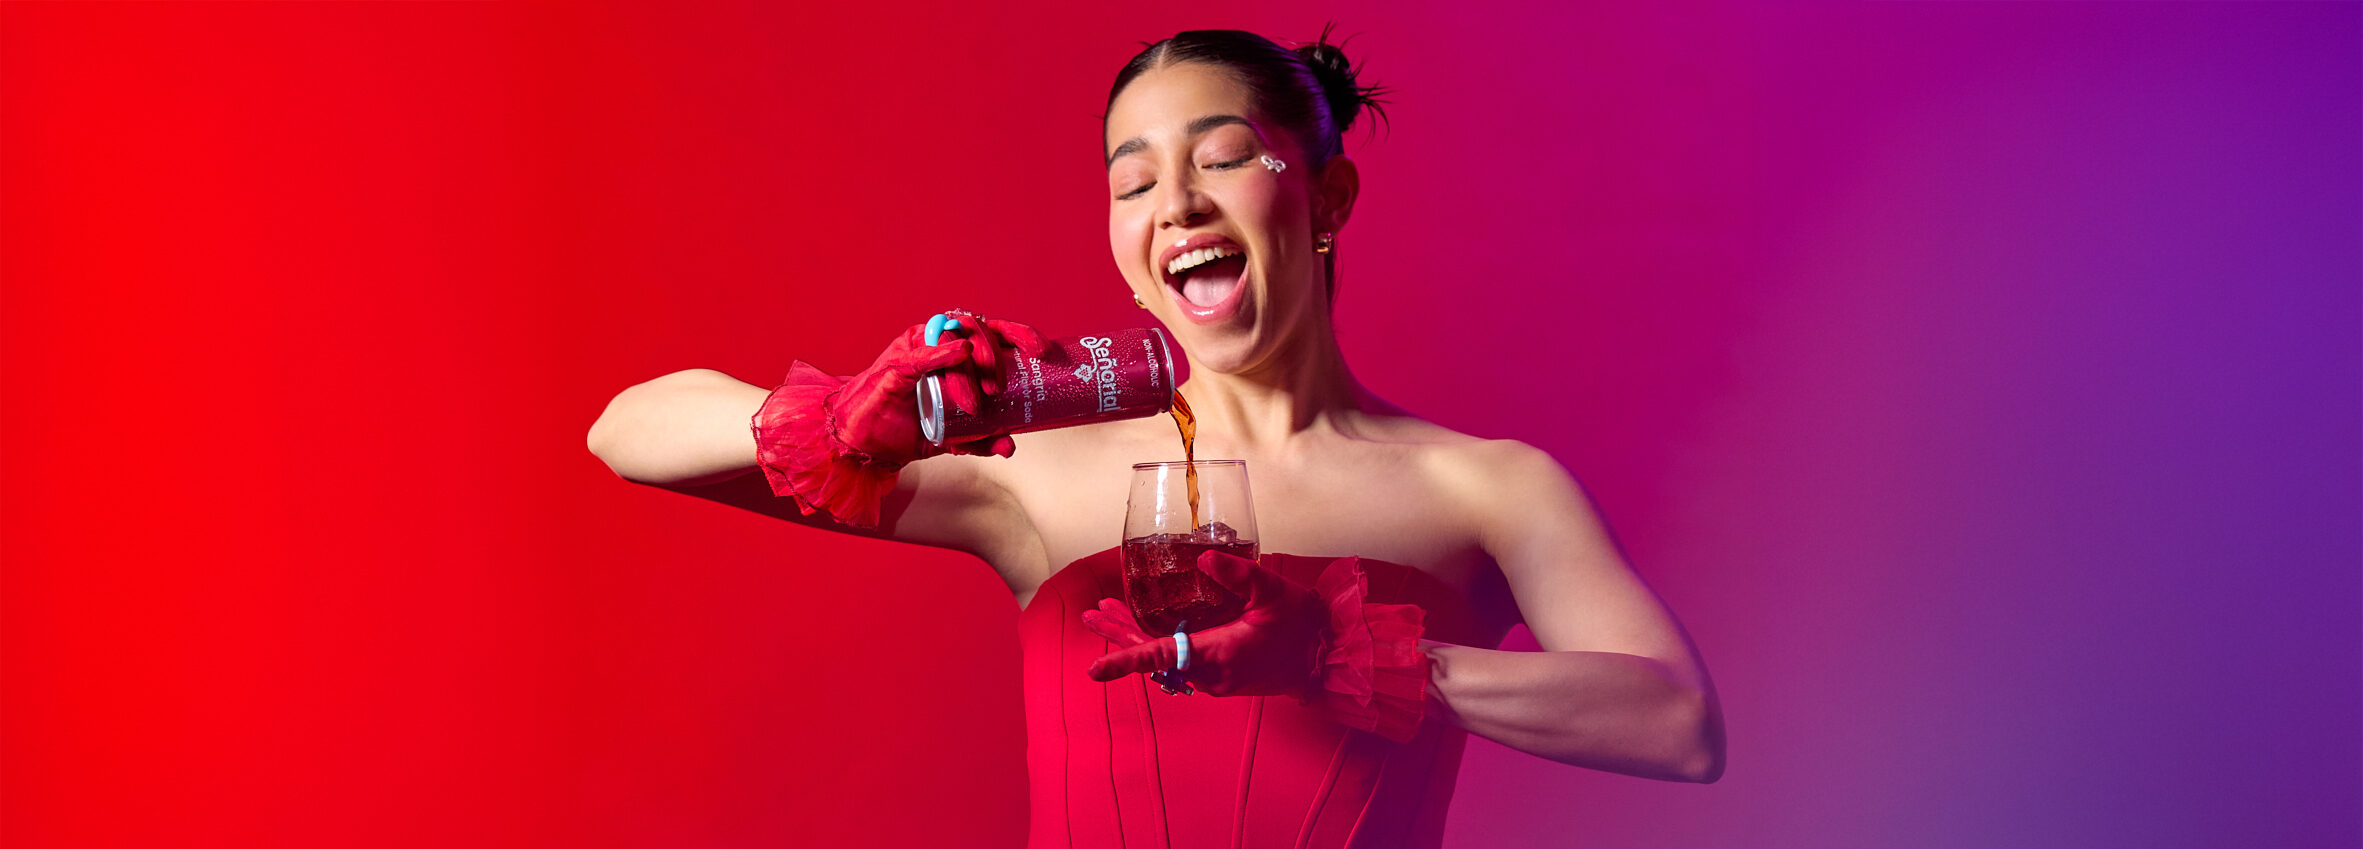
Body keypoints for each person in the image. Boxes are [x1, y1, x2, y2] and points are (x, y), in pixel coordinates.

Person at [588, 28, 1724, 849]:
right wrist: (845, 417)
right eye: (1131, 182)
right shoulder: (1030, 462)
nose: (1172, 202)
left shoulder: (1484, 487)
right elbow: (626, 430)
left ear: (1326, 199)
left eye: (1221, 157)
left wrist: (1348, 661)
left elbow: (1676, 726)